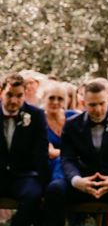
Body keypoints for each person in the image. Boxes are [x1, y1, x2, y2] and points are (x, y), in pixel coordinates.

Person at [44, 80, 108, 226]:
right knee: (55, 189)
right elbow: (68, 158)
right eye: (92, 105)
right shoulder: (72, 124)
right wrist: (77, 180)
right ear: (84, 102)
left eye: (102, 104)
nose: (98, 109)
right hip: (84, 181)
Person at [0, 73, 49, 226]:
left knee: (33, 195)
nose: (14, 101)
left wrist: (44, 184)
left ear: (24, 95)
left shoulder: (36, 115)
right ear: (1, 92)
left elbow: (41, 153)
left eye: (19, 95)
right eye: (9, 95)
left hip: (23, 176)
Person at [42, 82, 77, 181]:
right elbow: (50, 152)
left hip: (73, 164)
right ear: (44, 98)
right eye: (51, 98)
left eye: (60, 99)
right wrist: (74, 154)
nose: (56, 102)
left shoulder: (73, 116)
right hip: (51, 166)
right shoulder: (39, 119)